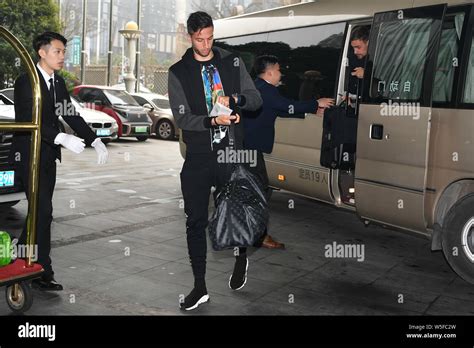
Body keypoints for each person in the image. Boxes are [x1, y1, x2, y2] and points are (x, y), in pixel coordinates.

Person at [168, 12, 262, 311]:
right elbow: (182, 117)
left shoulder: (231, 62)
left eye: (210, 38)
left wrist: (236, 102)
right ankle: (200, 286)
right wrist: (212, 120)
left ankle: (241, 256)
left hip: (231, 152)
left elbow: (255, 99)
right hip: (198, 156)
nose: (206, 44)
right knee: (195, 221)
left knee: (237, 213)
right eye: (200, 39)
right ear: (190, 37)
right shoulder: (178, 72)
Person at [11, 32, 108, 291]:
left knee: (40, 212)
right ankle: (42, 269)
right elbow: (30, 119)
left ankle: (23, 256)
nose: (62, 56)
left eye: (64, 51)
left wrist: (94, 139)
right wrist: (60, 137)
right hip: (28, 156)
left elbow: (70, 114)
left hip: (47, 157)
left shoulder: (58, 82)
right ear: (42, 52)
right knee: (44, 212)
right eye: (57, 51)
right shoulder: (26, 81)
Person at [243, 55, 334, 249]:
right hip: (250, 148)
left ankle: (253, 231)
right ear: (269, 72)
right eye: (278, 69)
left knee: (257, 189)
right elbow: (284, 104)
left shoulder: (258, 87)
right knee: (261, 189)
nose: (280, 73)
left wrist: (308, 111)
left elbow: (278, 109)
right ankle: (256, 234)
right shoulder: (266, 90)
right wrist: (317, 103)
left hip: (247, 147)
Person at [347, 26, 370, 103]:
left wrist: (367, 74)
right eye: (353, 48)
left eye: (358, 47)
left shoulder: (380, 58)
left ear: (368, 43)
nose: (355, 52)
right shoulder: (351, 58)